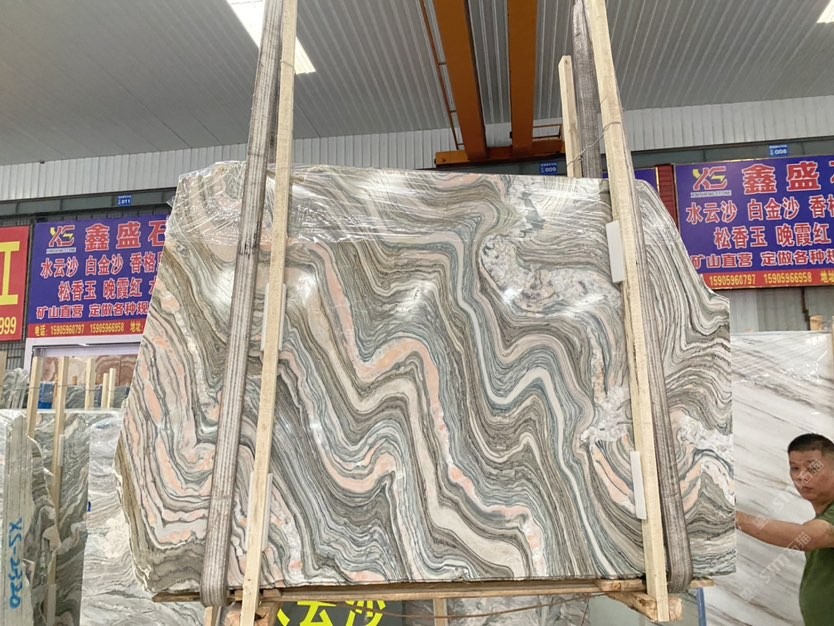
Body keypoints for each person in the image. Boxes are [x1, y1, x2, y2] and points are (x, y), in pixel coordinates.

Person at [736, 433, 834, 626]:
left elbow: (808, 537)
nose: (801, 476)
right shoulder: (821, 517)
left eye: (812, 468)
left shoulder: (822, 525)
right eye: (795, 468)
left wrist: (733, 517)